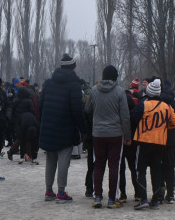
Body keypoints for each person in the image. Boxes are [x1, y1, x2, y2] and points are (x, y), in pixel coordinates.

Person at [38, 53, 87, 203]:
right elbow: (77, 111)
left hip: (49, 127)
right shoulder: (74, 85)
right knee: (64, 160)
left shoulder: (48, 83)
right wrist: (84, 129)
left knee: (50, 159)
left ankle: (48, 190)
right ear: (73, 68)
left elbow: (40, 105)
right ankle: (61, 192)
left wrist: (43, 123)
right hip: (66, 128)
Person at [85, 65, 131, 208]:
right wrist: (128, 135)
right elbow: (125, 116)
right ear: (115, 77)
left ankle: (97, 197)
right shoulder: (120, 92)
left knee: (98, 164)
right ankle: (112, 199)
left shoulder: (94, 90)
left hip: (98, 133)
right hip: (116, 134)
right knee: (114, 166)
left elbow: (87, 109)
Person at [130, 78, 175, 210]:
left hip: (144, 141)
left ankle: (143, 199)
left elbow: (133, 118)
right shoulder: (167, 106)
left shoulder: (144, 104)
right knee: (156, 171)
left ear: (149, 93)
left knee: (140, 171)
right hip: (160, 142)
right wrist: (163, 128)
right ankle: (155, 201)